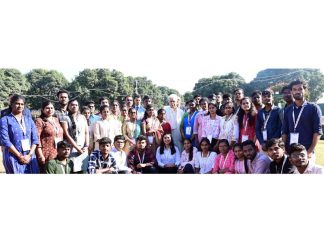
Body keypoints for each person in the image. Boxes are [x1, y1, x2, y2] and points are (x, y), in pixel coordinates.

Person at [282, 80, 322, 162]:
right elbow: (284, 131)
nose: (297, 91)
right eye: (294, 89)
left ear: (305, 90)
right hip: (291, 152)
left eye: (300, 89)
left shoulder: (313, 108)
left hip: (306, 152)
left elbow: (317, 131)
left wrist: (310, 151)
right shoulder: (288, 110)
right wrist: (284, 149)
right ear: (291, 92)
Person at [0, 95, 39, 174]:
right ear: (11, 104)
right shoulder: (5, 120)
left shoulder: (29, 120)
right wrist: (19, 156)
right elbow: (5, 140)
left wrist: (29, 155)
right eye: (17, 103)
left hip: (30, 156)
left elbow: (35, 139)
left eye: (22, 104)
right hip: (13, 157)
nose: (20, 106)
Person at [61, 99, 89, 173]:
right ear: (68, 106)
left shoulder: (82, 117)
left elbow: (86, 132)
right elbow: (67, 134)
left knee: (83, 170)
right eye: (72, 105)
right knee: (73, 170)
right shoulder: (65, 118)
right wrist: (77, 148)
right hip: (72, 148)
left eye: (76, 105)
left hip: (83, 149)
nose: (74, 106)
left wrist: (86, 146)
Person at [35, 101, 64, 173]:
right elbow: (36, 138)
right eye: (47, 108)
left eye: (52, 108)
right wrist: (40, 155)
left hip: (58, 152)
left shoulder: (56, 119)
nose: (50, 110)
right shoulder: (39, 121)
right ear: (42, 109)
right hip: (46, 153)